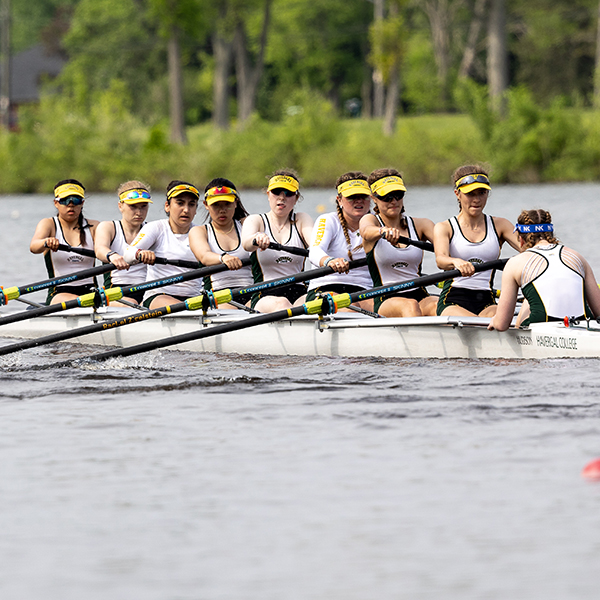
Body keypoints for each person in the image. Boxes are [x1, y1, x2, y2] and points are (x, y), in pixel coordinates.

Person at [488, 209, 600, 330]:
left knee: (527, 301)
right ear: (551, 234)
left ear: (521, 239)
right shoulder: (577, 257)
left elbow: (501, 325)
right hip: (584, 325)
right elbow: (598, 310)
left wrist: (495, 320)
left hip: (543, 327)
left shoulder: (515, 263)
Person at [433, 165, 520, 317]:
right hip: (453, 300)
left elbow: (528, 248)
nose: (477, 199)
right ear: (457, 194)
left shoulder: (501, 225)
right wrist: (455, 262)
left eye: (482, 193)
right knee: (479, 324)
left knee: (502, 321)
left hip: (487, 300)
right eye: (470, 194)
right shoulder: (444, 227)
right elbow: (440, 259)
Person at [360, 168, 436, 317]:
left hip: (419, 293)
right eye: (387, 197)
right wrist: (383, 232)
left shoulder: (422, 225)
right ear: (374, 198)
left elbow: (447, 244)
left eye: (398, 195)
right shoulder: (371, 221)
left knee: (436, 305)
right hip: (386, 297)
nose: (393, 201)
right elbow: (366, 231)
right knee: (410, 306)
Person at [241, 169, 313, 312]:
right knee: (282, 304)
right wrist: (256, 238)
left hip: (299, 291)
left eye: (288, 193)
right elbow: (246, 244)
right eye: (276, 192)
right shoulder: (256, 220)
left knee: (320, 299)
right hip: (264, 292)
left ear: (296, 198)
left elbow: (316, 246)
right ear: (268, 195)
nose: (282, 198)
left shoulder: (301, 220)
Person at [123, 180, 201, 309]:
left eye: (191, 204)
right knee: (186, 308)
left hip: (194, 297)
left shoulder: (201, 232)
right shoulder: (156, 228)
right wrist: (140, 253)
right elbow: (128, 254)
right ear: (167, 206)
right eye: (180, 203)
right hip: (159, 295)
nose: (186, 210)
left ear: (196, 209)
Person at [307, 171, 373, 311]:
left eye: (363, 196)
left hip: (365, 289)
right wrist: (329, 261)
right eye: (352, 197)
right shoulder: (328, 220)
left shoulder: (378, 223)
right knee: (350, 306)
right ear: (339, 200)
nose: (359, 200)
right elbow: (314, 251)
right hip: (326, 287)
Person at [30, 179, 99, 305]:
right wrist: (46, 241)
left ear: (82, 203)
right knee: (81, 304)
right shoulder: (49, 224)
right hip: (59, 293)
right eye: (65, 200)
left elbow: (109, 252)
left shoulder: (94, 226)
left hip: (91, 292)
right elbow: (34, 247)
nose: (71, 205)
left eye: (76, 200)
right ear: (56, 203)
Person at [189, 178, 253, 309]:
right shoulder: (199, 231)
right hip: (219, 295)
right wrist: (223, 258)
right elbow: (204, 256)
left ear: (236, 203)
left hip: (252, 291)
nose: (222, 210)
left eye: (227, 204)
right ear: (206, 205)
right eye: (216, 205)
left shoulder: (248, 224)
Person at [94, 181, 153, 306]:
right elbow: (100, 249)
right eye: (133, 207)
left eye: (143, 206)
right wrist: (112, 255)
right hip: (116, 290)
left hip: (148, 289)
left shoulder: (153, 229)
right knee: (131, 303)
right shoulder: (108, 227)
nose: (139, 212)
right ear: (120, 206)